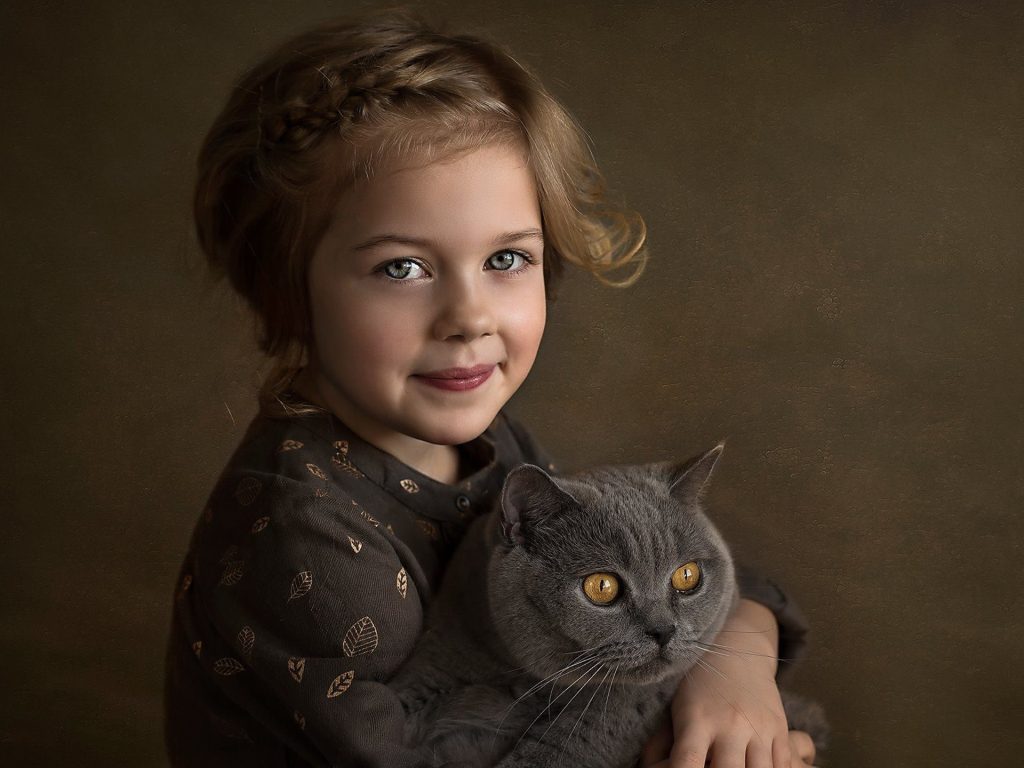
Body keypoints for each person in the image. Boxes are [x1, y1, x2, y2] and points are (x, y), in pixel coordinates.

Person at [164, 11, 815, 768]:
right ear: (288, 292)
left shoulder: (488, 443)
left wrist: (734, 658)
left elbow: (637, 579)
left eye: (506, 259)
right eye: (402, 268)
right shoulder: (304, 542)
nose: (469, 318)